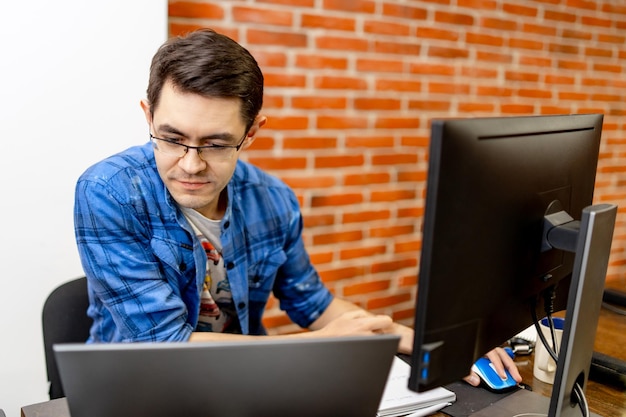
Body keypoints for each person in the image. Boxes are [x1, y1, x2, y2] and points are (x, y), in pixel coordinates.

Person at [73, 28, 519, 387]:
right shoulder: (108, 193)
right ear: (148, 116)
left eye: (216, 143)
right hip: (134, 388)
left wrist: (427, 341)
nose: (191, 164)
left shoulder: (274, 199)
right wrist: (320, 345)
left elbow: (312, 304)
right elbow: (163, 345)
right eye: (172, 138)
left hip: (239, 381)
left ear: (251, 133)